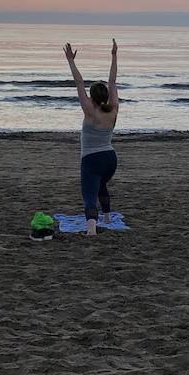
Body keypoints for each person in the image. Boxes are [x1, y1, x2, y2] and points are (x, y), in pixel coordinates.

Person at [65, 38, 119, 236]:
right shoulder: (113, 109)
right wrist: (114, 56)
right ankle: (106, 216)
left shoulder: (90, 111)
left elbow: (78, 82)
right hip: (110, 160)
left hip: (92, 159)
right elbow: (112, 81)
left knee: (89, 194)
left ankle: (91, 230)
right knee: (101, 184)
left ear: (92, 97)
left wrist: (71, 61)